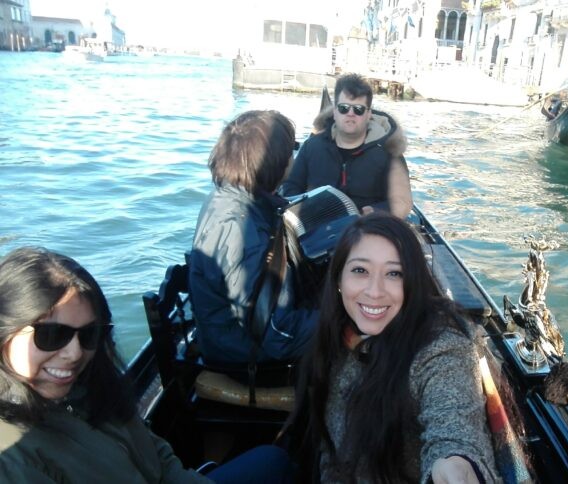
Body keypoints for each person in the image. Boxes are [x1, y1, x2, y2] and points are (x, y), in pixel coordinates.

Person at [0, 247, 291, 482]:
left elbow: (156, 453)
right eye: (52, 335)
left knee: (274, 460)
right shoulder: (12, 456)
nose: (75, 353)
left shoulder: (89, 388)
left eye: (90, 333)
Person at [284, 213, 500, 483]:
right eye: (360, 271)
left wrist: (456, 464)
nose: (375, 292)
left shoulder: (441, 348)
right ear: (339, 279)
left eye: (394, 273)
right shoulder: (338, 336)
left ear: (412, 283)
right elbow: (331, 451)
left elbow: (454, 430)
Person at [188, 110, 318, 366]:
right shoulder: (239, 228)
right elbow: (277, 335)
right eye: (291, 149)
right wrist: (342, 321)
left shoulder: (227, 197)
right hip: (244, 357)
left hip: (233, 337)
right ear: (277, 162)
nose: (294, 156)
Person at [280, 73, 413, 218]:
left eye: (358, 109)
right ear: (335, 111)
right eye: (344, 108)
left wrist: (375, 212)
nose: (350, 114)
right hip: (316, 230)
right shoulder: (311, 147)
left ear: (369, 114)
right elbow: (291, 188)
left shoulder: (389, 153)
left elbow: (402, 202)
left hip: (369, 230)